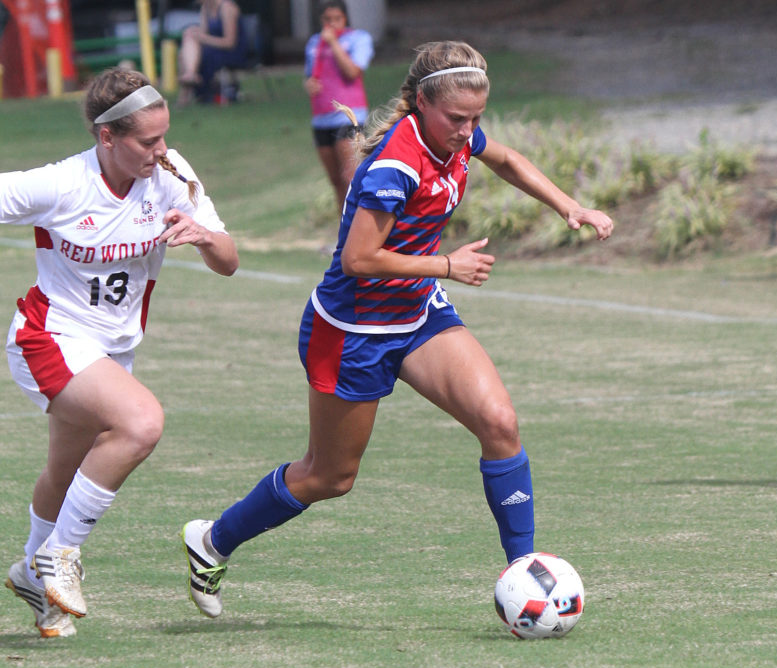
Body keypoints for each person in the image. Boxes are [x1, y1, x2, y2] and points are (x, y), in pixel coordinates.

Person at [180, 40, 614, 619]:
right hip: (351, 331)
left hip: (416, 313)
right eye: (457, 119)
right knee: (330, 476)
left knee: (499, 423)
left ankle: (524, 575)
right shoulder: (396, 163)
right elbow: (360, 259)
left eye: (476, 119)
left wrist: (569, 206)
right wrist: (447, 265)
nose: (467, 131)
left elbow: (505, 159)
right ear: (421, 103)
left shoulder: (454, 138)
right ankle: (212, 541)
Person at [0, 68, 238, 638]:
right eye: (147, 142)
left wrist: (204, 236)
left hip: (112, 351)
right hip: (49, 336)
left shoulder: (173, 175)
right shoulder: (61, 184)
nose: (161, 151)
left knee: (65, 470)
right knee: (141, 423)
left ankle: (33, 568)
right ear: (108, 137)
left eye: (164, 136)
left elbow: (229, 260)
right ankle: (60, 556)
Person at [305, 0, 375, 215]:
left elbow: (353, 72)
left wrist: (334, 43)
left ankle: (359, 231)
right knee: (336, 181)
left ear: (345, 18)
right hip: (321, 116)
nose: (332, 23)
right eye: (327, 19)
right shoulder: (314, 43)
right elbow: (309, 76)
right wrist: (309, 84)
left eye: (337, 18)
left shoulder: (359, 39)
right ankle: (342, 234)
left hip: (349, 115)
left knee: (350, 176)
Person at [177, 0, 248, 105]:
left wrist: (200, 37)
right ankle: (190, 76)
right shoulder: (205, 8)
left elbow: (230, 43)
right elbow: (205, 35)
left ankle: (186, 93)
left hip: (232, 53)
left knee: (192, 52)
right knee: (187, 46)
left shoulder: (227, 8)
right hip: (213, 49)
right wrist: (195, 34)